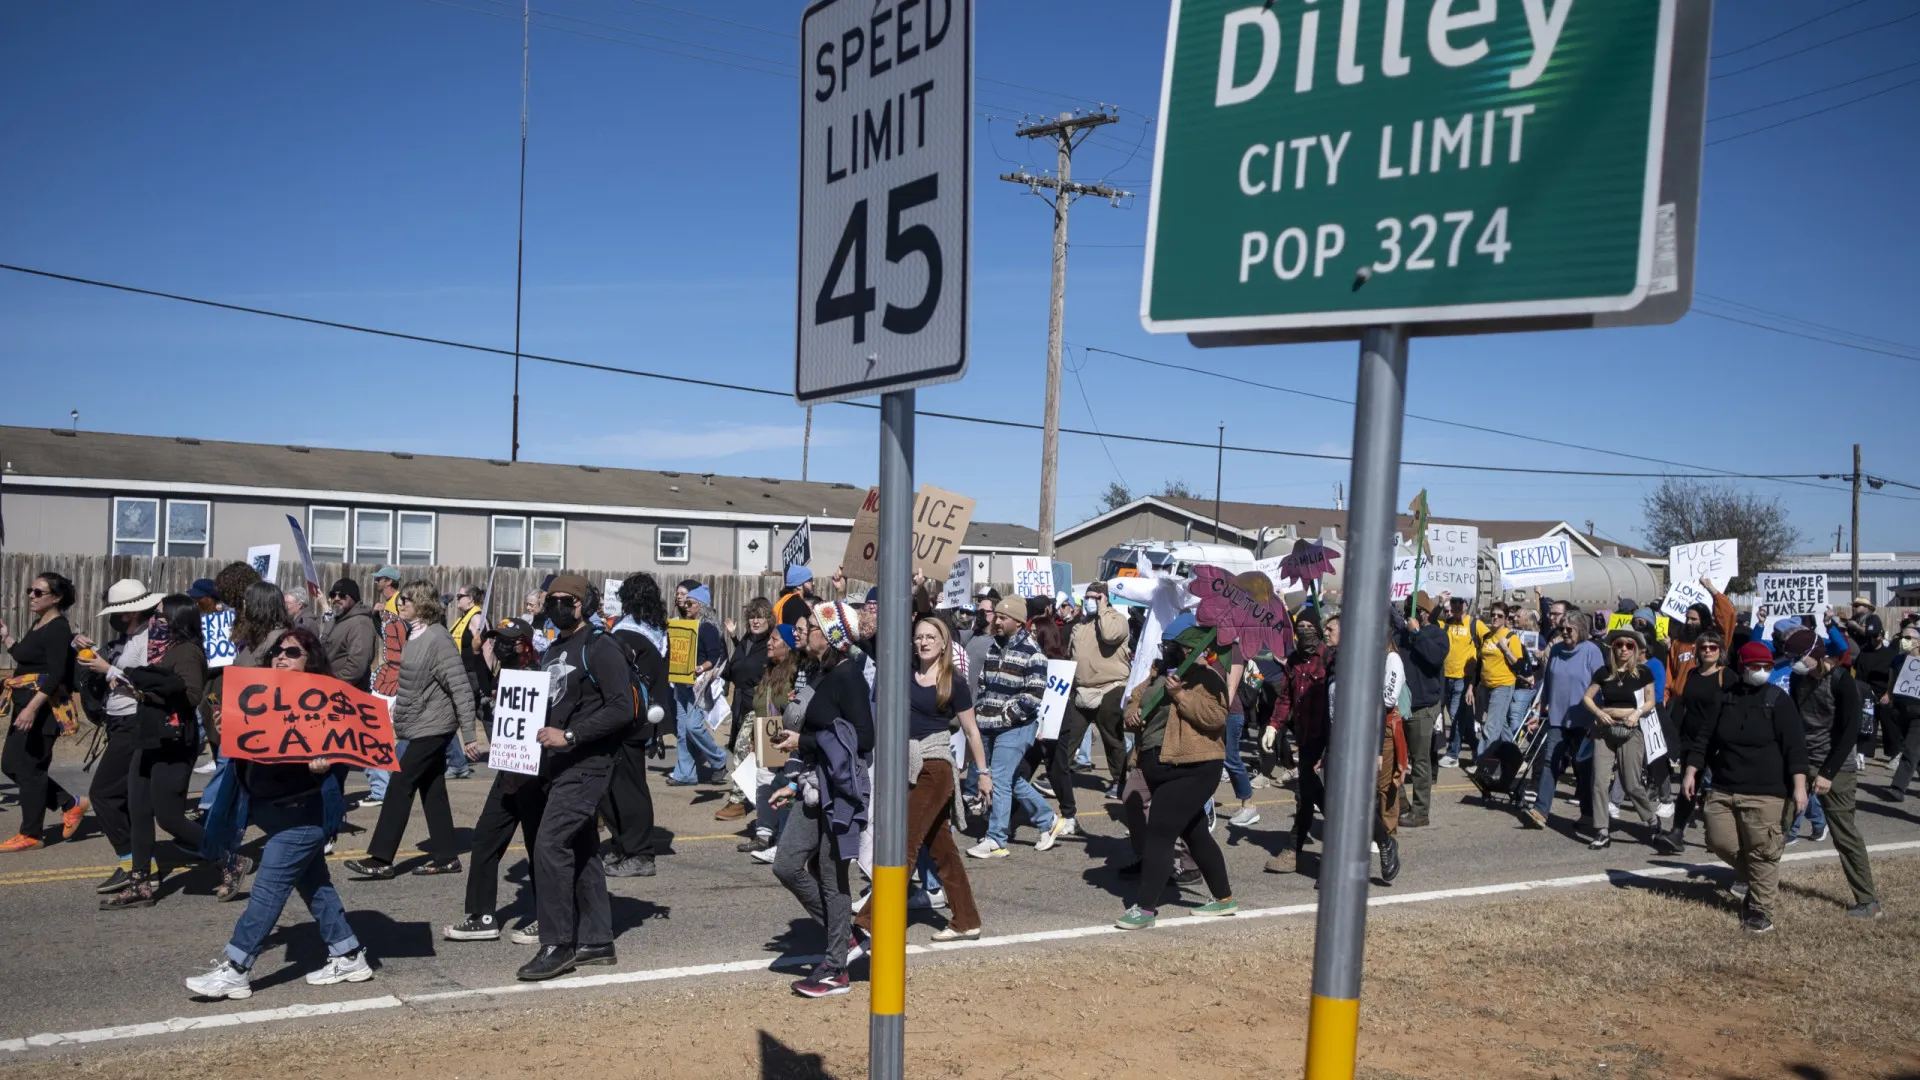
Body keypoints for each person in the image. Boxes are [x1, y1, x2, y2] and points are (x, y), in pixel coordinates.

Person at [184, 629, 370, 1000]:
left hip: (303, 817)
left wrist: (324, 768)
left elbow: (343, 760)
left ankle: (236, 969)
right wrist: (226, 731)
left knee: (267, 891)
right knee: (315, 886)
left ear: (310, 661)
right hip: (272, 812)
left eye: (291, 652)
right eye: (276, 652)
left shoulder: (326, 704)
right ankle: (349, 954)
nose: (280, 657)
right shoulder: (260, 698)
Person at [514, 576, 633, 980]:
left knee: (548, 845)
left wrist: (570, 735)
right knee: (581, 849)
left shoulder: (600, 647)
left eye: (563, 601)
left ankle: (557, 944)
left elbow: (621, 708)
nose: (555, 606)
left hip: (589, 763)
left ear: (582, 604)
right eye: (551, 600)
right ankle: (597, 940)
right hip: (558, 765)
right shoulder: (555, 649)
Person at [854, 616, 989, 942]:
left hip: (935, 766)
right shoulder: (904, 675)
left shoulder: (953, 682)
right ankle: (967, 919)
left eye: (931, 637)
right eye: (919, 637)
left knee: (905, 844)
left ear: (944, 644)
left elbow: (971, 730)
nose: (924, 642)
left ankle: (868, 923)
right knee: (941, 849)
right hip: (906, 765)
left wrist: (982, 773)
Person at [770, 600, 875, 998]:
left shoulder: (849, 677)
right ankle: (845, 935)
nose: (802, 630)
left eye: (810, 624)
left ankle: (835, 970)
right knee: (787, 865)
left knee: (833, 877)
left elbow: (864, 738)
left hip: (840, 788)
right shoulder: (818, 673)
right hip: (813, 784)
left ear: (829, 635)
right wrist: (794, 782)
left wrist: (805, 741)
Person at [84, 589, 214, 908]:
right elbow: (147, 692)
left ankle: (229, 857)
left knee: (168, 817)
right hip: (147, 733)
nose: (153, 620)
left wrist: (121, 674)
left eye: (159, 615)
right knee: (140, 812)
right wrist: (135, 688)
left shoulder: (185, 651)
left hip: (171, 738)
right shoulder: (160, 649)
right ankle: (140, 883)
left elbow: (192, 695)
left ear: (175, 620)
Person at [344, 580, 475, 879]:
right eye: (400, 600)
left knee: (400, 785)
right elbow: (414, 683)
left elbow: (460, 687)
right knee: (432, 791)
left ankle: (381, 859)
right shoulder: (415, 636)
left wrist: (469, 735)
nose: (400, 604)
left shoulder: (438, 639)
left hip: (434, 727)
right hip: (418, 725)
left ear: (423, 603)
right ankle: (446, 856)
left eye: (407, 600)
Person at [1114, 616, 1237, 930]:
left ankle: (1145, 908)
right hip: (1157, 765)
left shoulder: (1206, 678)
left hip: (1195, 768)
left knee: (1160, 829)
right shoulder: (1156, 675)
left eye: (1171, 645)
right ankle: (1224, 899)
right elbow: (1134, 700)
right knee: (1194, 832)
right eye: (1163, 644)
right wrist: (1132, 716)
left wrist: (1182, 695)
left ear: (1186, 649)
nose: (1165, 650)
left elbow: (1215, 717)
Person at [1685, 642, 1809, 935]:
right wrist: (1692, 770)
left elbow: (1795, 747)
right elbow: (1704, 739)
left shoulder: (1779, 700)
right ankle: (1759, 882)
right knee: (1719, 841)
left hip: (1766, 792)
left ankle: (1761, 911)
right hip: (1724, 787)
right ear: (1742, 667)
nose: (1762, 671)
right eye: (1756, 666)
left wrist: (1799, 787)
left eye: (1767, 666)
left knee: (1762, 852)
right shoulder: (1723, 698)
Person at [445, 620, 547, 944]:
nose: (498, 645)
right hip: (507, 775)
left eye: (505, 641)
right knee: (485, 840)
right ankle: (482, 916)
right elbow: (484, 690)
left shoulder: (539, 675)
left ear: (523, 643)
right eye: (495, 640)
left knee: (540, 851)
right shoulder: (506, 672)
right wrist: (477, 654)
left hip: (534, 776)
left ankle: (550, 919)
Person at [80, 579, 167, 888]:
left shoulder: (150, 639)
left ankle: (134, 861)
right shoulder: (128, 638)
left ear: (130, 613)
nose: (114, 620)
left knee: (103, 794)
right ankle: (141, 862)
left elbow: (149, 682)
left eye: (117, 613)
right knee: (127, 795)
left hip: (134, 722)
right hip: (119, 722)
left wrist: (108, 670)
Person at [1785, 637, 1878, 918]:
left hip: (1836, 767)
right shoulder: (1797, 679)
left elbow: (1850, 731)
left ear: (1816, 654)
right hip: (1804, 761)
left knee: (1844, 834)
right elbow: (1794, 719)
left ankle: (1867, 900)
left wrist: (1827, 773)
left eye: (1799, 656)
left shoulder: (1841, 681)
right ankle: (1753, 883)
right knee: (1779, 822)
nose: (1795, 662)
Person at [967, 596, 1061, 858]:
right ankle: (1047, 820)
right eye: (996, 616)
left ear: (1018, 623)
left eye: (1003, 617)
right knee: (1009, 778)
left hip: (1016, 727)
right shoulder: (994, 647)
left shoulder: (1033, 653)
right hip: (989, 723)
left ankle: (996, 838)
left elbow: (1034, 694)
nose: (997, 621)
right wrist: (983, 710)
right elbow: (984, 682)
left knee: (998, 777)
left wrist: (1008, 715)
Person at [1, 571, 86, 851]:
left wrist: (33, 709)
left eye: (38, 592)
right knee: (11, 764)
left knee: (31, 768)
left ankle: (32, 834)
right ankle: (69, 803)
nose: (31, 596)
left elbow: (56, 674)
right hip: (25, 704)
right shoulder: (39, 624)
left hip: (44, 708)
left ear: (56, 598)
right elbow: (26, 656)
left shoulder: (58, 628)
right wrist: (7, 638)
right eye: (30, 590)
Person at [601, 574, 674, 879]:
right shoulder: (656, 628)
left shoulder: (628, 633)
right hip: (646, 715)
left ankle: (640, 853)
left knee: (626, 787)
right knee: (619, 785)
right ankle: (624, 844)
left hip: (627, 718)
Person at [1262, 612, 1332, 872]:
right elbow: (1285, 698)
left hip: (1326, 741)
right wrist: (1273, 725)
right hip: (1304, 740)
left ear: (1319, 629)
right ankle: (1294, 851)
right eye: (1300, 626)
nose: (1304, 631)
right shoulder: (1293, 661)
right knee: (1307, 796)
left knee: (1316, 795)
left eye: (1309, 626)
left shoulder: (1329, 658)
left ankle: (1375, 839)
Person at [1524, 612, 1606, 830]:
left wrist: (1598, 716)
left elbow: (1600, 685)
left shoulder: (1592, 651)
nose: (1565, 633)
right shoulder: (1557, 651)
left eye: (1570, 629)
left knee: (1583, 768)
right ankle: (1541, 811)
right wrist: (1539, 710)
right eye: (1562, 629)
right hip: (1557, 718)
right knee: (1551, 762)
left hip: (1584, 719)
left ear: (1581, 629)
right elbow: (1548, 683)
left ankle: (1589, 814)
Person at [1580, 628, 1660, 849]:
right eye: (1619, 645)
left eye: (1629, 645)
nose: (1624, 649)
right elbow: (1587, 697)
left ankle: (1652, 820)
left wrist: (1636, 713)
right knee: (1599, 780)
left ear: (1635, 649)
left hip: (1631, 730)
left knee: (1631, 783)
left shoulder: (1643, 673)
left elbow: (1650, 701)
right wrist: (1599, 712)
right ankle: (1602, 830)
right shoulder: (1604, 672)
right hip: (1604, 730)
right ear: (1613, 647)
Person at [1656, 628, 1733, 854]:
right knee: (1688, 788)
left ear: (1720, 651)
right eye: (1703, 647)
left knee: (1716, 791)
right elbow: (1683, 706)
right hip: (1692, 740)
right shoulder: (1692, 674)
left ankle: (1716, 836)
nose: (1708, 651)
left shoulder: (1727, 676)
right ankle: (1677, 833)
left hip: (1718, 742)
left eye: (1713, 647)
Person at [1062, 581, 1133, 807]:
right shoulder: (1081, 624)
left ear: (1104, 598)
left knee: (1112, 738)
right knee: (1068, 734)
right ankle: (1059, 777)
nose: (1091, 601)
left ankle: (1120, 781)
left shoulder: (1117, 620)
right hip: (1082, 689)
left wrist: (1102, 609)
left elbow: (1111, 635)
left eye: (1096, 597)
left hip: (1110, 687)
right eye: (1088, 597)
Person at [665, 581, 730, 787]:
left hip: (698, 685)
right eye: (687, 603)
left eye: (691, 603)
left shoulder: (708, 628)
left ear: (701, 605)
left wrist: (702, 668)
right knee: (683, 730)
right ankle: (685, 773)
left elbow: (714, 656)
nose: (686, 605)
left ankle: (719, 760)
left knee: (693, 727)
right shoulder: (688, 625)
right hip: (681, 682)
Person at [715, 598, 774, 821]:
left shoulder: (771, 643)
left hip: (759, 704)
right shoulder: (746, 641)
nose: (755, 621)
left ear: (768, 618)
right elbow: (736, 668)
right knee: (744, 751)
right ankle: (754, 795)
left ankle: (737, 801)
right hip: (740, 702)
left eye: (760, 616)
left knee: (742, 749)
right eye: (752, 616)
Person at [1395, 594, 1449, 828]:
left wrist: (1417, 634)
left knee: (1419, 760)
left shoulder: (1436, 634)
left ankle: (1420, 811)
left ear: (1425, 613)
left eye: (1414, 608)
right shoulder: (1401, 635)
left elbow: (1435, 658)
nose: (1409, 612)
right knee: (1393, 758)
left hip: (1423, 707)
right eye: (1407, 608)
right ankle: (1402, 802)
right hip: (1399, 706)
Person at [1437, 595, 1489, 768]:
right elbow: (1429, 622)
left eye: (1460, 602)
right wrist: (1439, 605)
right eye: (1454, 602)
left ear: (1467, 605)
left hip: (1464, 678)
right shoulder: (1446, 623)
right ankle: (1475, 746)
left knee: (1456, 716)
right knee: (1463, 718)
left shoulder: (1475, 625)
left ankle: (1453, 753)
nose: (1457, 605)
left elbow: (1491, 641)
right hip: (1445, 676)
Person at [1473, 603, 1529, 757]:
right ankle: (1516, 757)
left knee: (1490, 726)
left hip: (1502, 686)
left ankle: (1481, 760)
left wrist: (1505, 649)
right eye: (1493, 615)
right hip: (1485, 686)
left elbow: (1518, 664)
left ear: (1505, 618)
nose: (1495, 618)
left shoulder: (1511, 637)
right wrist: (1475, 686)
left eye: (1499, 616)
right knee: (1501, 724)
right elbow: (1480, 663)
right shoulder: (1487, 637)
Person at [324, 579, 379, 691]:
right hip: (329, 689)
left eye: (342, 595)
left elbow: (356, 667)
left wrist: (332, 685)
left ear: (354, 598)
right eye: (333, 595)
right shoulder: (335, 620)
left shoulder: (360, 624)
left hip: (349, 695)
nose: (336, 598)